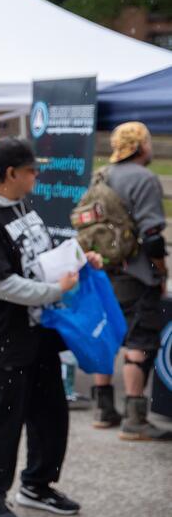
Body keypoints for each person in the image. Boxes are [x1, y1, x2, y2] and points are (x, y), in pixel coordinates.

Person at [0, 137, 101, 517]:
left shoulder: (17, 203)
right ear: (10, 174)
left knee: (50, 415)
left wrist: (79, 260)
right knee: (3, 420)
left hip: (39, 332)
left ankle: (37, 484)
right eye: (32, 171)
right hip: (3, 337)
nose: (37, 176)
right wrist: (57, 291)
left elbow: (39, 253)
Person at [91, 122, 172, 440]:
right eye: (148, 142)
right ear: (140, 146)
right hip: (136, 273)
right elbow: (152, 236)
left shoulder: (101, 175)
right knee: (140, 340)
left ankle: (103, 410)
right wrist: (161, 271)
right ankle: (135, 419)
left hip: (104, 269)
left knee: (107, 337)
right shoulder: (144, 179)